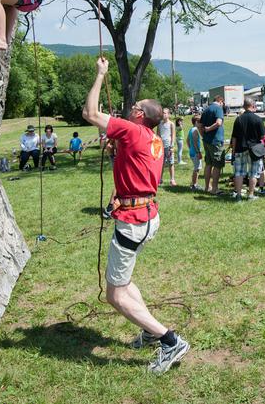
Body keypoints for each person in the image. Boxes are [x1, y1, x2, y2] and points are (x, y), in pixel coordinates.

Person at [81, 56, 189, 374]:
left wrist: (101, 74)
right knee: (124, 281)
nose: (130, 110)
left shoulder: (133, 131)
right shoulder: (152, 139)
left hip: (134, 221)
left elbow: (90, 113)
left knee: (115, 293)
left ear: (139, 114)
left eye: (134, 107)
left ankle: (169, 340)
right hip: (146, 216)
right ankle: (148, 330)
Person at [230, 98, 265, 201]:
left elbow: (234, 138)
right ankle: (250, 195)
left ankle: (238, 195)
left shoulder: (238, 119)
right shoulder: (258, 119)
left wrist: (233, 152)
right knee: (253, 173)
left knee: (239, 173)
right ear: (253, 106)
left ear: (244, 106)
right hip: (254, 150)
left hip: (239, 149)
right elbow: (263, 137)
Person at [200, 95, 226, 195]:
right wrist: (209, 129)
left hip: (207, 141)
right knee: (217, 165)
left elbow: (200, 125)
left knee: (208, 164)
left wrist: (204, 135)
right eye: (222, 102)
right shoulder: (218, 108)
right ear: (220, 101)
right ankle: (214, 189)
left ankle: (207, 187)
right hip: (216, 141)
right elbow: (219, 123)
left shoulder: (206, 109)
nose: (223, 104)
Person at [158, 108, 177, 187]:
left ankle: (172, 179)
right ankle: (160, 179)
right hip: (161, 146)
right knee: (161, 164)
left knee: (171, 163)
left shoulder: (171, 124)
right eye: (163, 113)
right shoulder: (160, 124)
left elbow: (173, 135)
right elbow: (158, 135)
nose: (164, 114)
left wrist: (171, 146)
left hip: (168, 146)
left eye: (165, 113)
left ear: (169, 114)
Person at [187, 117, 203, 189]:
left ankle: (194, 184)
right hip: (195, 152)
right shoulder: (195, 130)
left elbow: (187, 140)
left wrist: (191, 148)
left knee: (196, 168)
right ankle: (194, 185)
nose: (201, 123)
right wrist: (198, 152)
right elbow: (195, 142)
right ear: (196, 122)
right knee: (197, 169)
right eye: (199, 122)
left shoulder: (191, 129)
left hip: (192, 152)